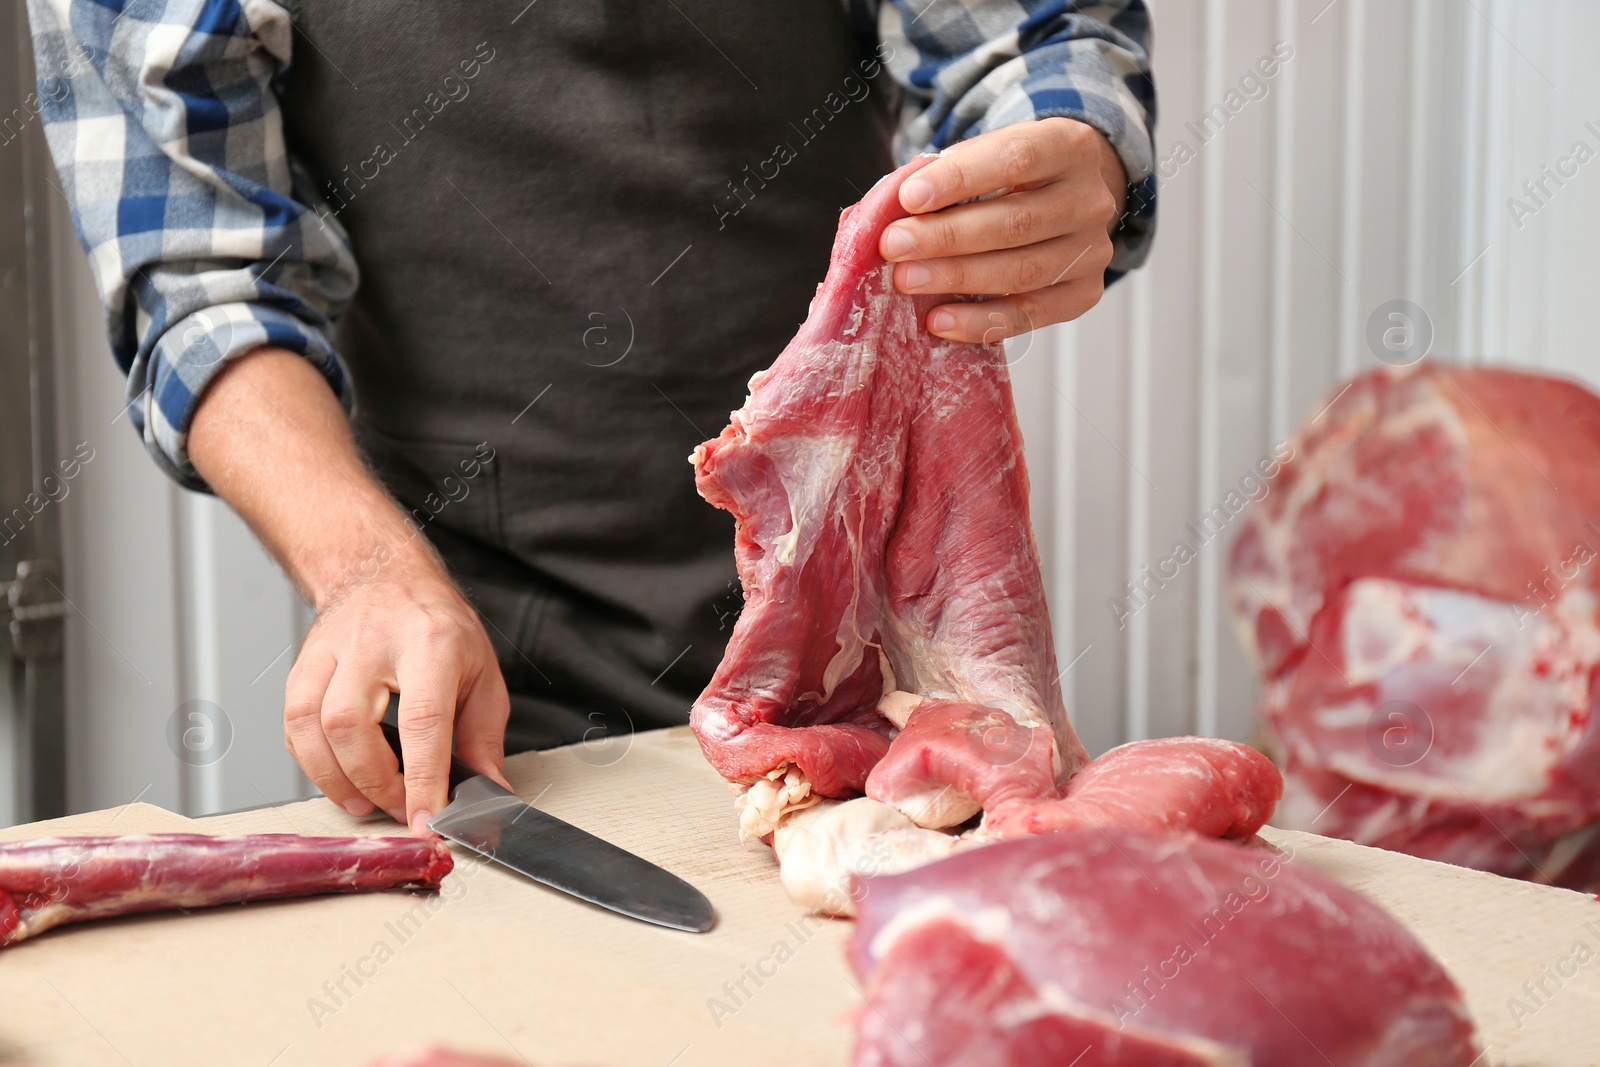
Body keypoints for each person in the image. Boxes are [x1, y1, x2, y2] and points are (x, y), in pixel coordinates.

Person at [28, 0, 1155, 836]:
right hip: (477, 685)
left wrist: (1066, 155)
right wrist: (366, 569)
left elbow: (1026, 37)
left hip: (866, 653)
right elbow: (200, 283)